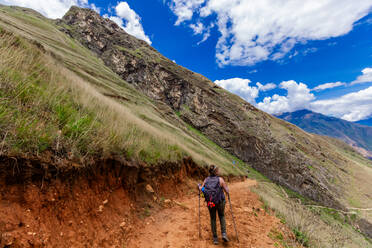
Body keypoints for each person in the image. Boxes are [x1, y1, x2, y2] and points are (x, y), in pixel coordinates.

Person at [199, 165, 230, 245]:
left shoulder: (206, 180)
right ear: (215, 172)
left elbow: (202, 190)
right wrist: (227, 190)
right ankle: (223, 234)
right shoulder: (220, 179)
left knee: (213, 218)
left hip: (210, 203)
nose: (219, 171)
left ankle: (215, 238)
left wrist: (199, 187)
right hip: (220, 202)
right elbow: (227, 191)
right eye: (218, 170)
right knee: (222, 216)